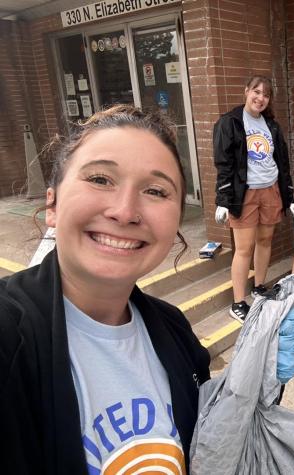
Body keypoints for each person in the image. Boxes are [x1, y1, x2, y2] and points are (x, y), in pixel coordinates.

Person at [0, 105, 211, 474]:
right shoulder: (8, 335)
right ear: (52, 203)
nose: (125, 211)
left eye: (156, 190)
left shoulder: (175, 330)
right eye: (100, 179)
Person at [213, 75, 294, 322]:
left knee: (265, 240)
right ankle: (238, 302)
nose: (260, 98)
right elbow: (224, 164)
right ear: (246, 91)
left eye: (266, 95)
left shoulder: (271, 125)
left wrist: (287, 193)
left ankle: (259, 286)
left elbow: (282, 162)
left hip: (271, 189)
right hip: (245, 192)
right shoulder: (230, 122)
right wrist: (223, 199)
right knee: (244, 247)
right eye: (256, 92)